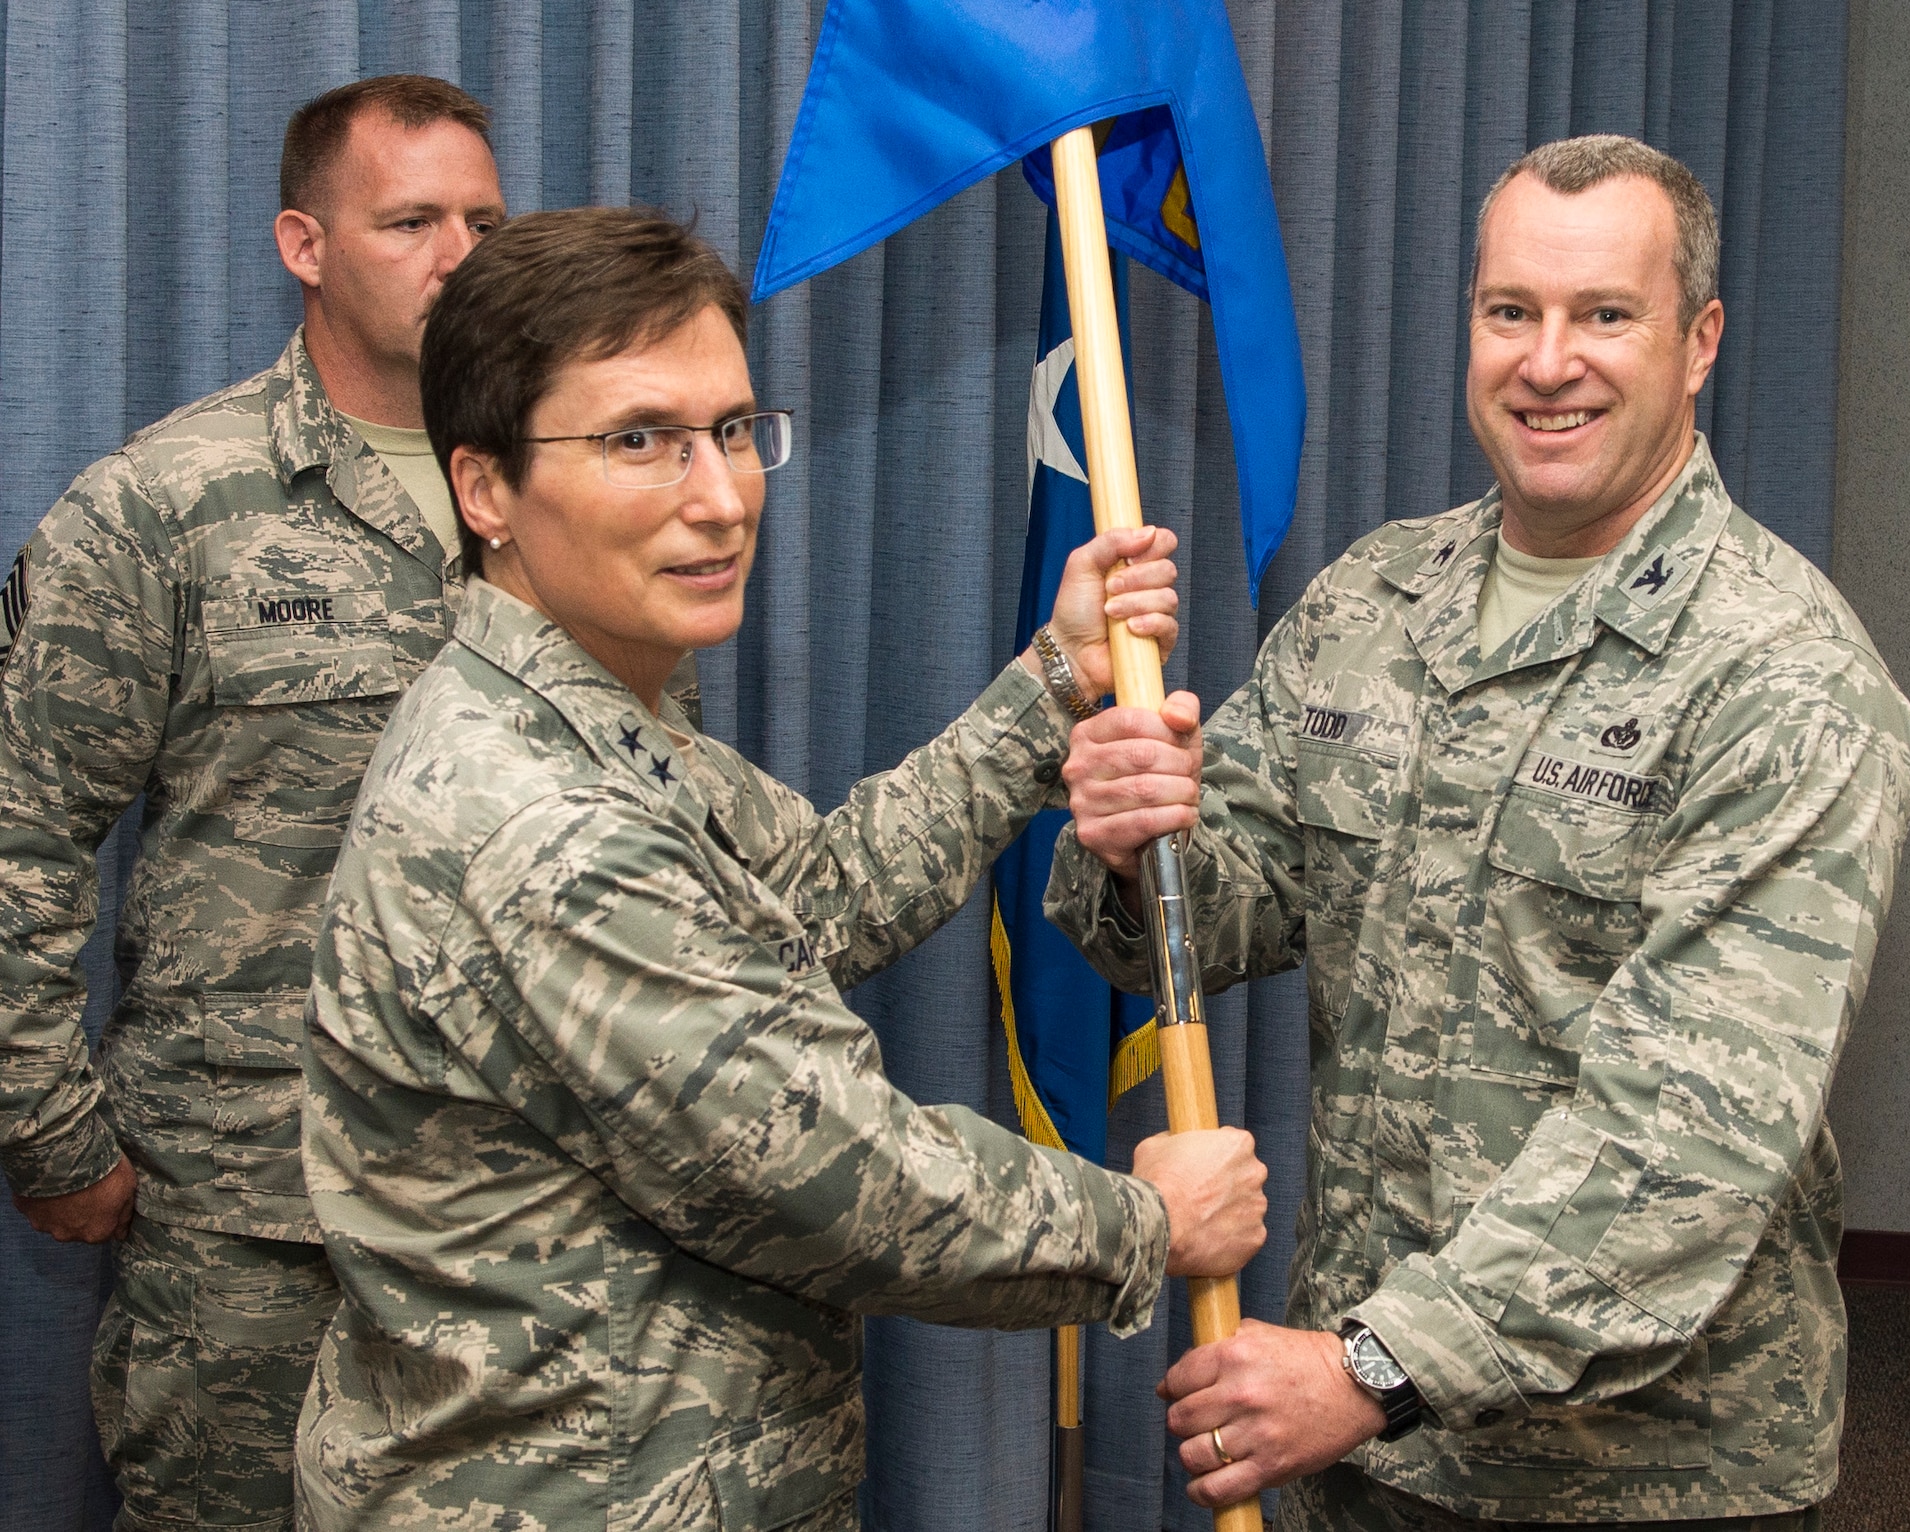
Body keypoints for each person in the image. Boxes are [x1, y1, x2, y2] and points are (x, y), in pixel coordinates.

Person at [293, 205, 1268, 1531]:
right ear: (485, 491)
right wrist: (1143, 1223)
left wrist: (1055, 681)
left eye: (733, 431)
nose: (719, 496)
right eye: (638, 440)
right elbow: (831, 1179)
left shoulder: (594, 711)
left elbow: (805, 904)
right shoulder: (537, 818)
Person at [1049, 134, 1910, 1530]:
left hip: (1643, 1475)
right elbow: (1219, 914)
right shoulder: (1371, 602)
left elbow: (1684, 1143)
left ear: (1697, 343)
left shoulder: (1785, 683)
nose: (1547, 361)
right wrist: (1125, 833)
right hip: (1367, 1452)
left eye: (1603, 316)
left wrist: (1376, 1366)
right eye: (1511, 310)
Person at [0, 75, 505, 1531]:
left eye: (483, 218)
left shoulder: (564, 487)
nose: (460, 256)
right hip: (254, 1230)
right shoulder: (166, 505)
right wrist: (51, 1134)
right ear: (305, 245)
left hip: (522, 1221)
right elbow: (20, 832)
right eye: (410, 220)